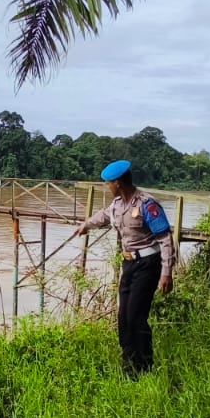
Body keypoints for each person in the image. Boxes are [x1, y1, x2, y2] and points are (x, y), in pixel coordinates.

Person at [75, 160, 175, 376]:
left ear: (118, 183)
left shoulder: (147, 205)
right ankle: (128, 364)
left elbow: (166, 238)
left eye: (108, 184)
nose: (107, 187)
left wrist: (167, 272)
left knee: (136, 316)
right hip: (128, 264)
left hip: (148, 265)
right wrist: (86, 226)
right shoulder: (118, 205)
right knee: (123, 317)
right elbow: (103, 216)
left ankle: (145, 367)